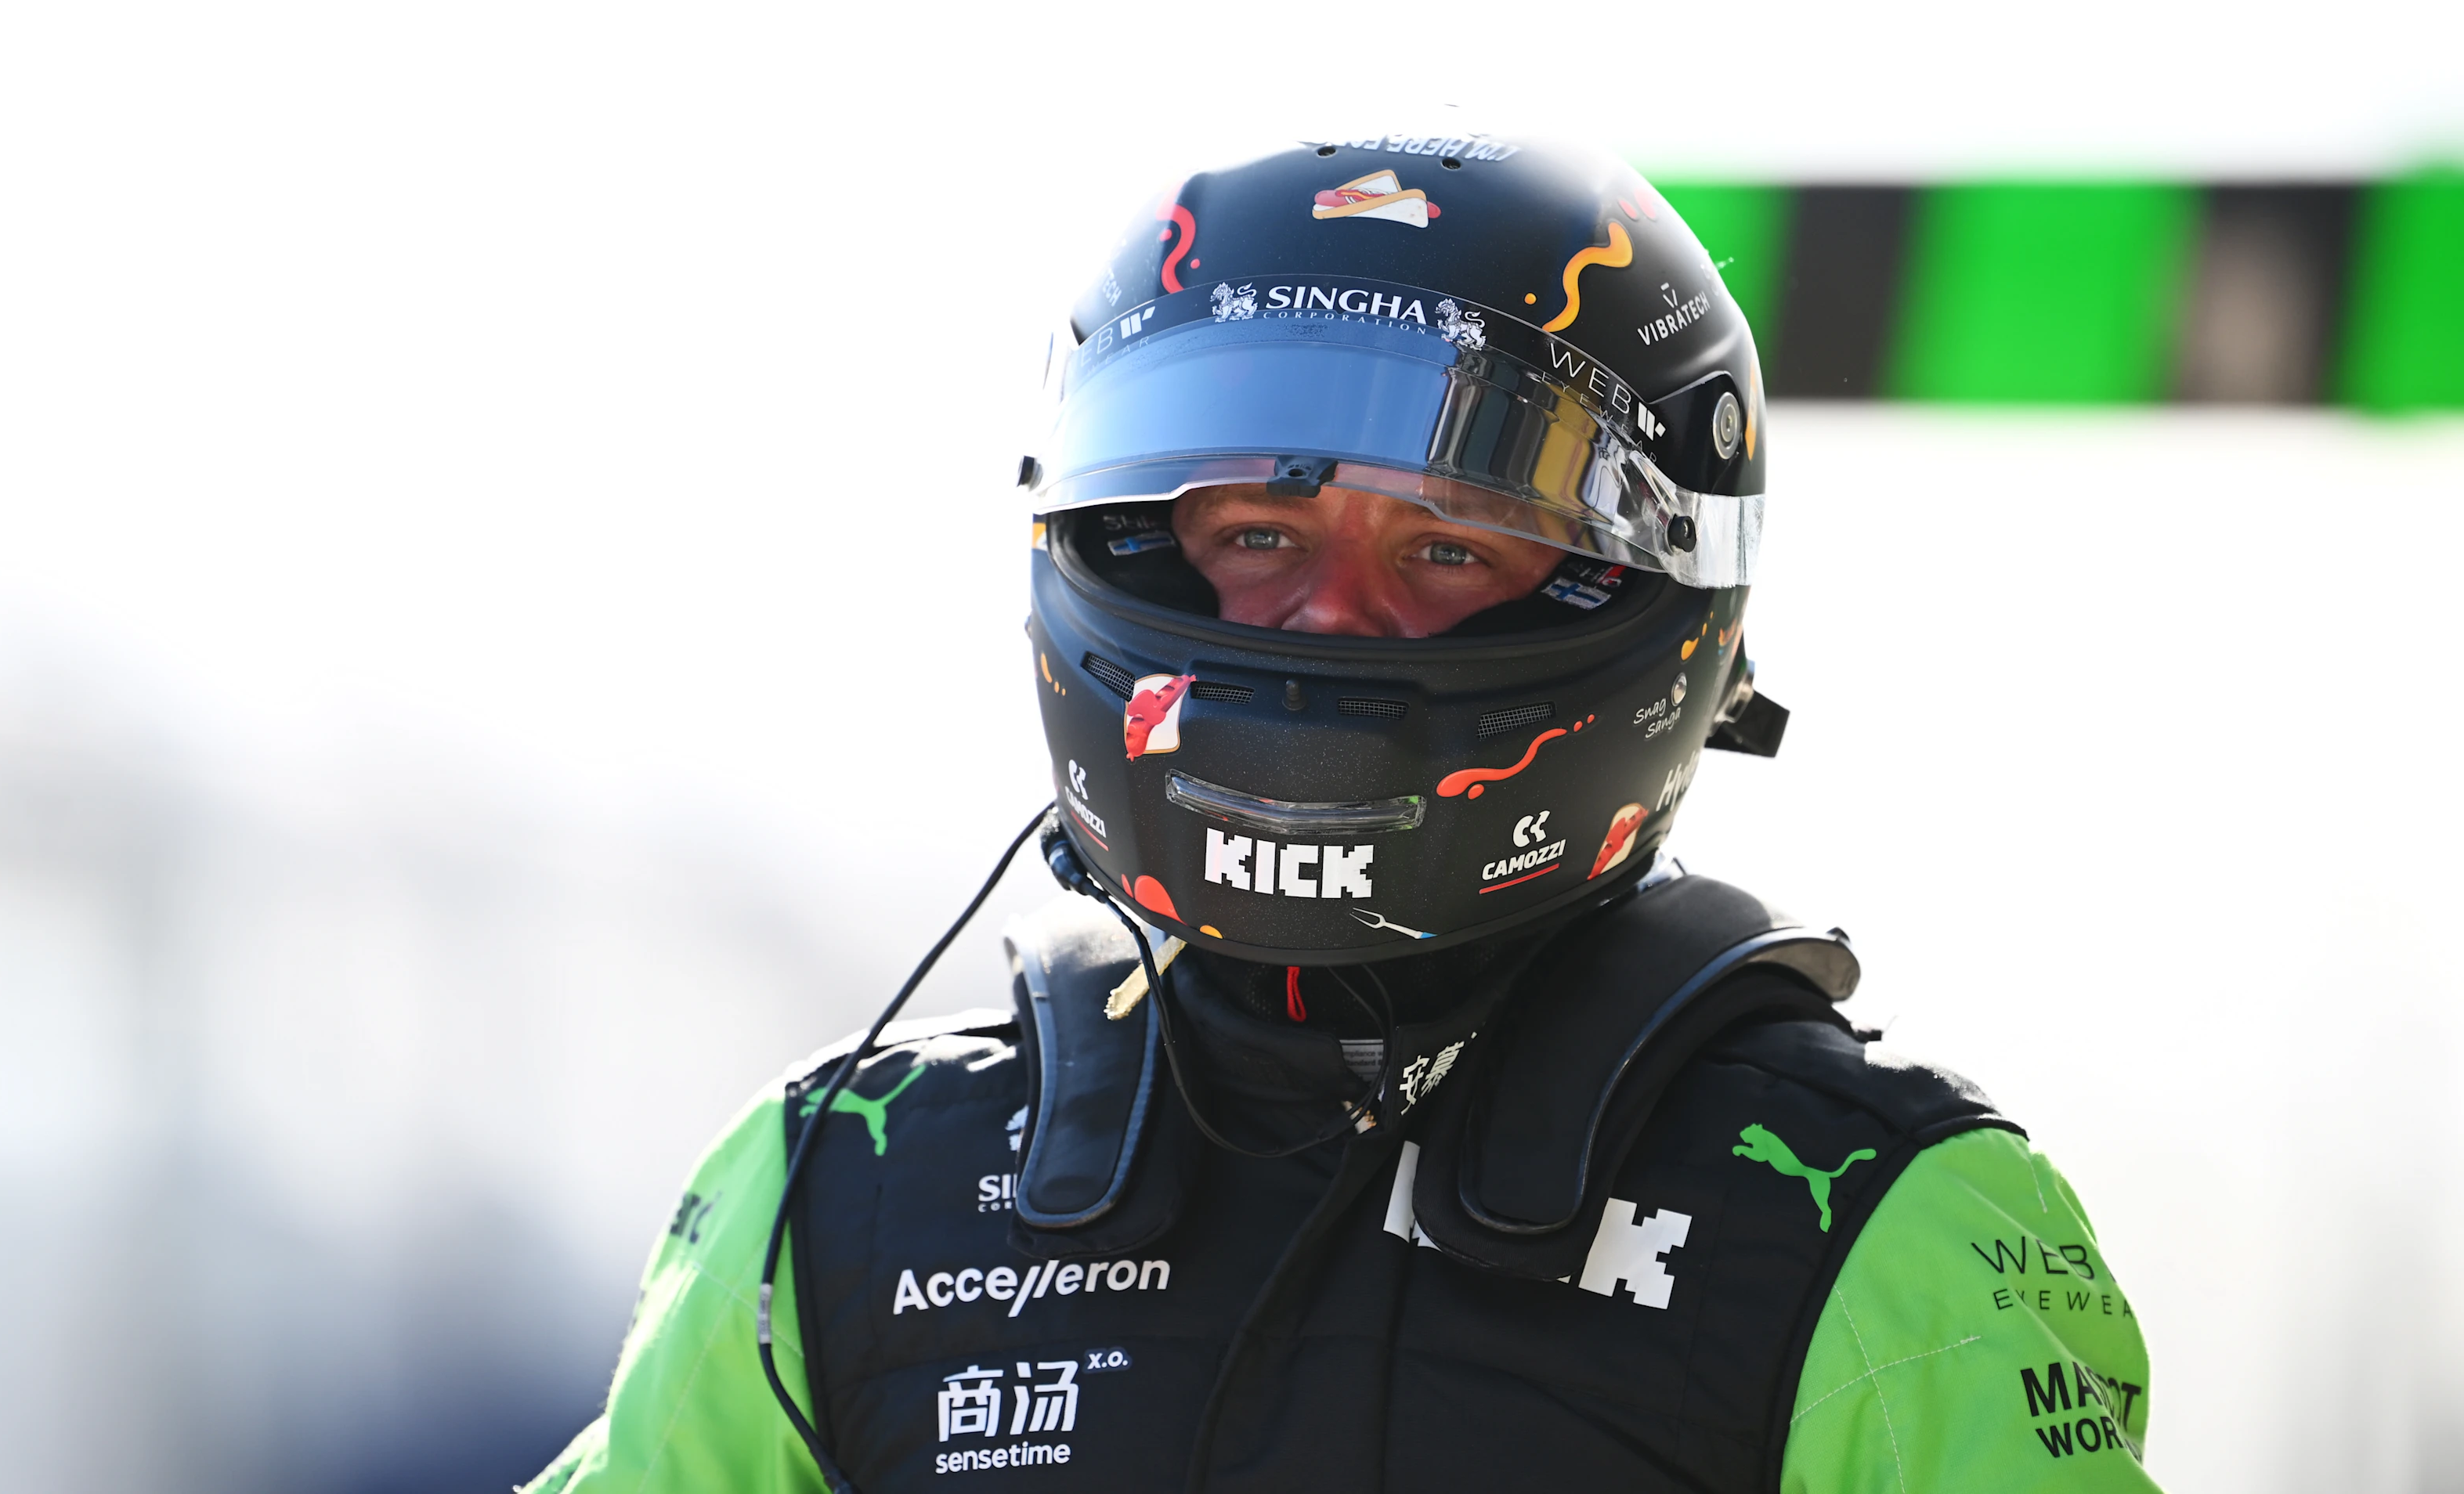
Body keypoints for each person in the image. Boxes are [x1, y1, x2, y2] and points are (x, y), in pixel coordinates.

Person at [526, 131, 2161, 1492]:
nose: (1321, 624)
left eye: (1445, 549)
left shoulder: (1871, 1217)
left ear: (1645, 608)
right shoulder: (841, 1192)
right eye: (1254, 534)